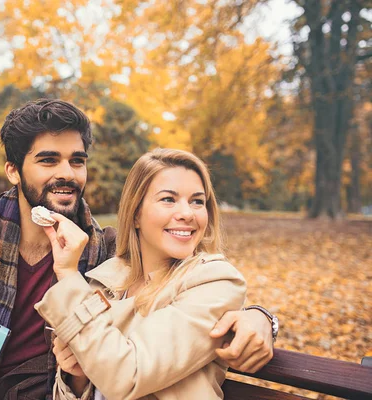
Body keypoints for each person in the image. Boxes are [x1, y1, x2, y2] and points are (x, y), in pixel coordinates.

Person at [0, 100, 276, 399]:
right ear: (14, 170)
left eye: (77, 160)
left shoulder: (106, 254)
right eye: (48, 160)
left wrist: (261, 318)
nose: (66, 174)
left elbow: (184, 286)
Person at [36, 148, 247, 399]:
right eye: (168, 199)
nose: (187, 213)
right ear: (136, 213)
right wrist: (78, 378)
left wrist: (68, 274)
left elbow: (127, 374)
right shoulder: (103, 282)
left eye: (197, 201)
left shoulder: (215, 282)